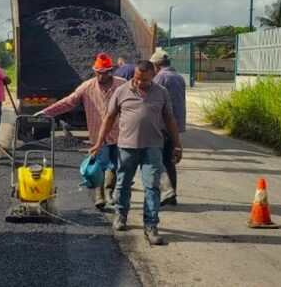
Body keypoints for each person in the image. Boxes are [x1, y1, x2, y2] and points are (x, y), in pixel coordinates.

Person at [90, 60, 183, 246]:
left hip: (153, 148)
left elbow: (170, 119)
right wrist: (99, 142)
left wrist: (177, 145)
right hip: (127, 147)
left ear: (153, 76)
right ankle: (121, 216)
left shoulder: (161, 93)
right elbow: (109, 118)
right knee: (123, 184)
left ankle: (151, 226)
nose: (140, 82)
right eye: (137, 78)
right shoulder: (122, 91)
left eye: (145, 79)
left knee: (153, 187)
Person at [38, 53, 126, 209]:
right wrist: (47, 112)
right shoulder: (87, 87)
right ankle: (99, 196)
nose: (100, 76)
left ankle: (109, 194)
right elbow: (69, 102)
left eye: (104, 72)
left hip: (120, 134)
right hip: (98, 135)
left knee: (115, 166)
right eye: (98, 72)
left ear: (110, 71)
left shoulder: (122, 85)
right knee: (100, 164)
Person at [150, 50, 186, 206]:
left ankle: (164, 194)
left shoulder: (160, 78)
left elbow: (153, 101)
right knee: (169, 161)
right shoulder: (178, 76)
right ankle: (172, 196)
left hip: (162, 125)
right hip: (175, 125)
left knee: (157, 160)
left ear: (156, 65)